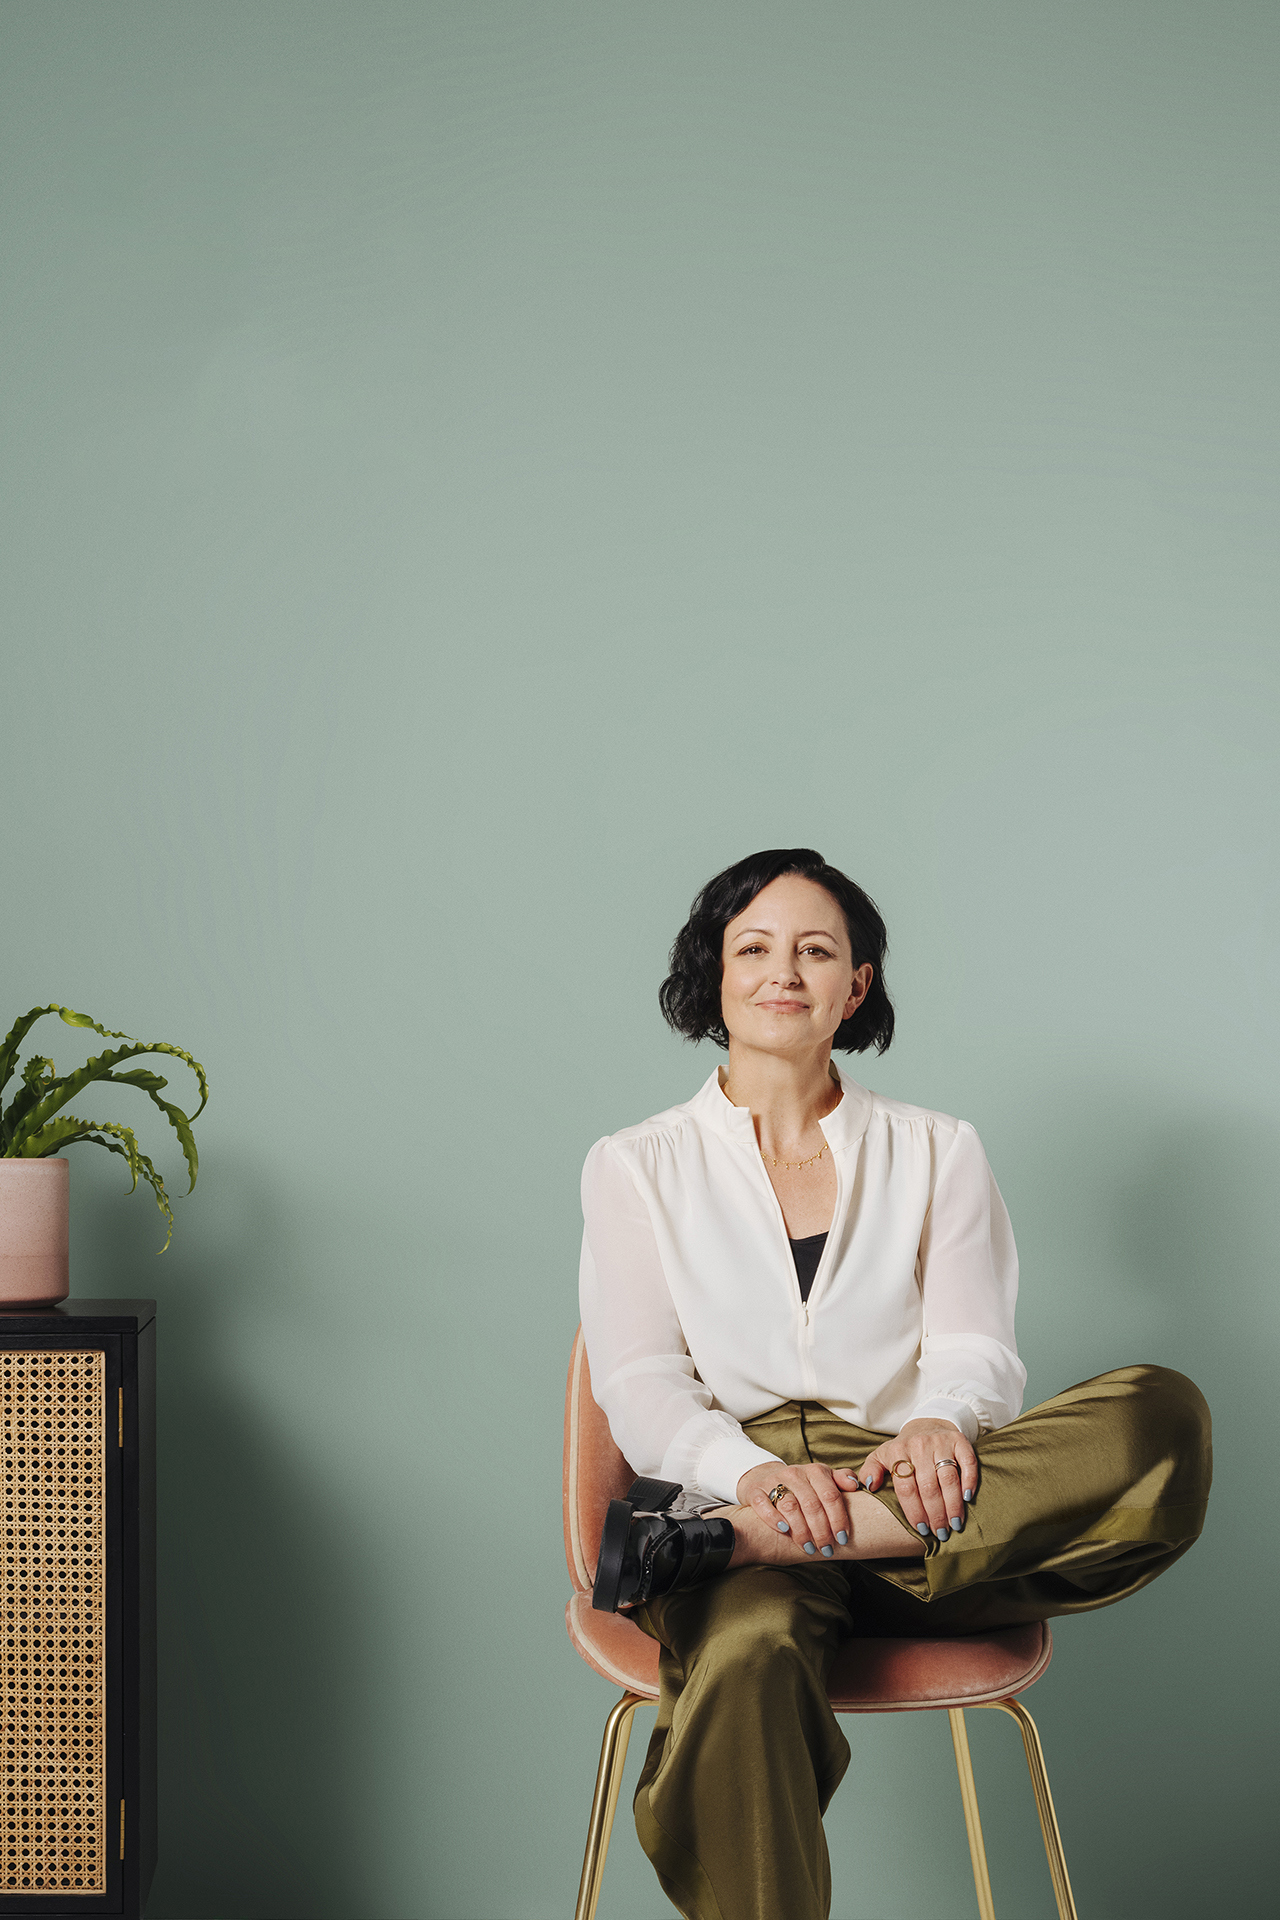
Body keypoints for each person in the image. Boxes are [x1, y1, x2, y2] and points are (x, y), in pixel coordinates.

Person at [578, 847, 1211, 1920]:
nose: (784, 971)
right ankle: (757, 1550)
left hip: (924, 1510)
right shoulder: (636, 1164)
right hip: (746, 1499)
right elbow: (638, 1382)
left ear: (854, 984)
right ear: (714, 973)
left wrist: (939, 1421)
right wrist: (748, 1483)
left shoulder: (937, 1149)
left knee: (1162, 1416)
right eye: (755, 948)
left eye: (815, 950)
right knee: (742, 1650)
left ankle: (767, 1547)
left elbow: (976, 1351)